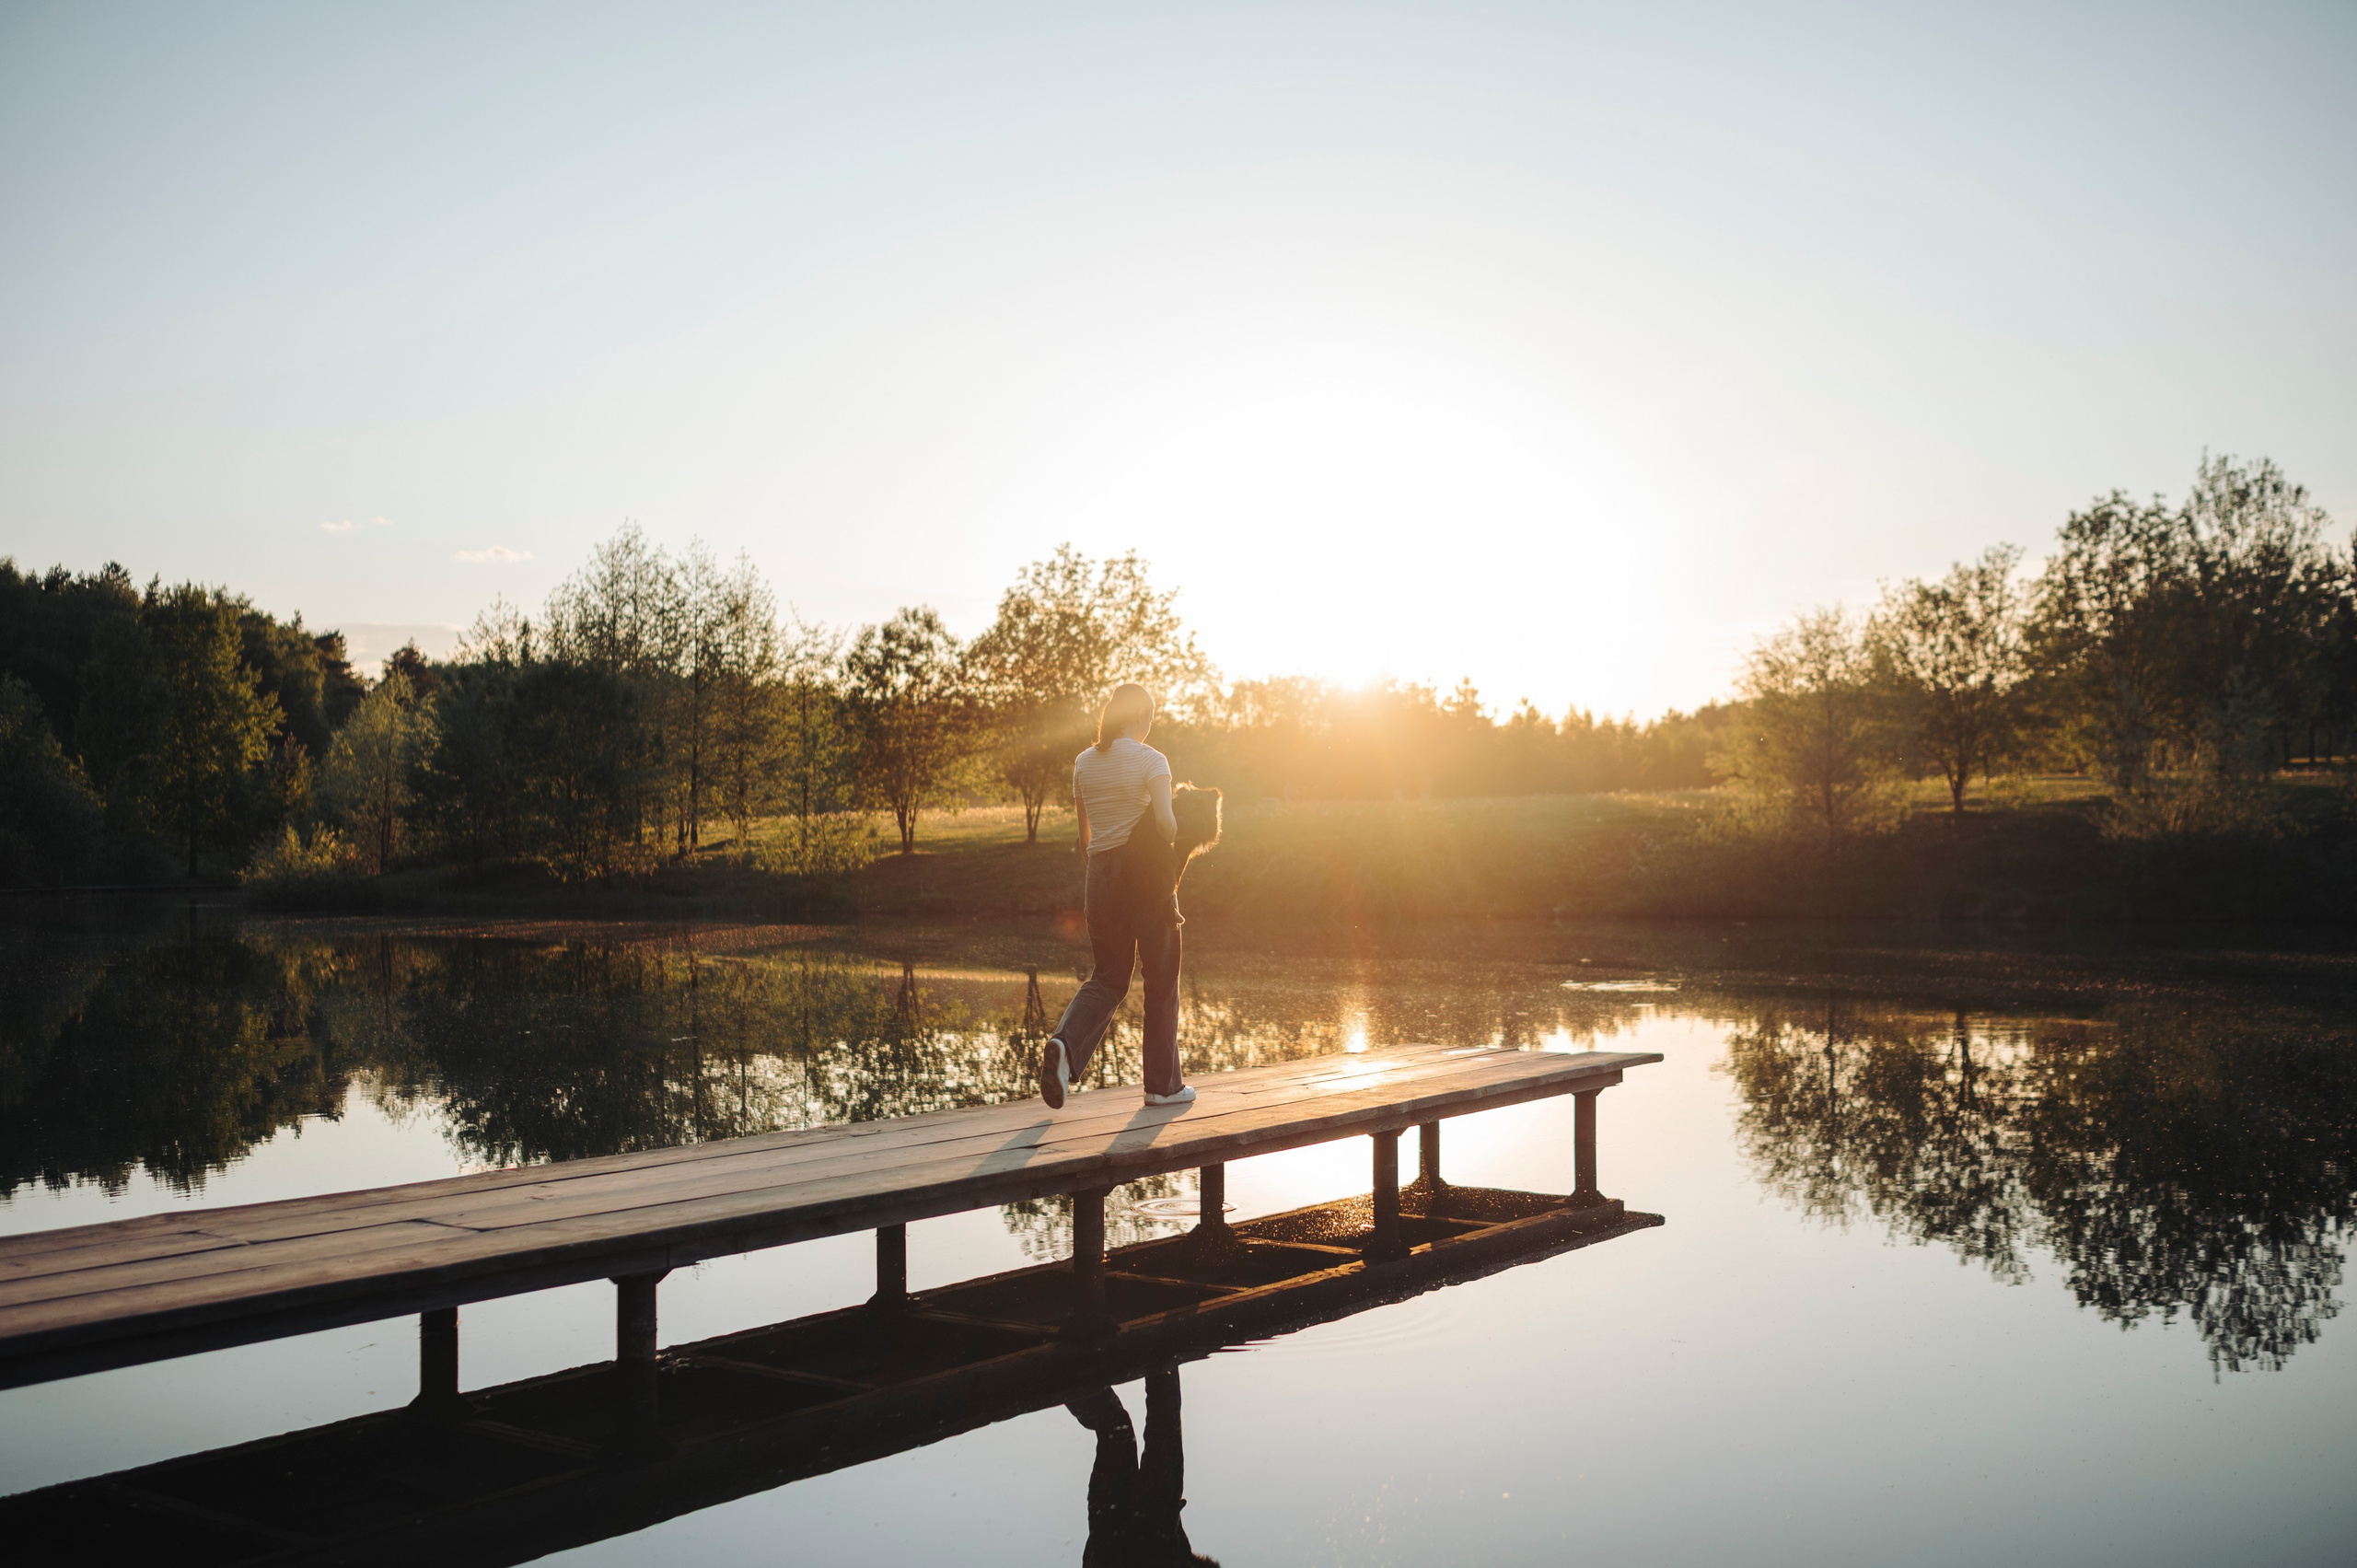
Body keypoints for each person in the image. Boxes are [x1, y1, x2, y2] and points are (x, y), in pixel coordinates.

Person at [1039, 682, 1190, 1109]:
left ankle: (1064, 1046)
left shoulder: (1084, 763)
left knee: (1108, 978)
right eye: (1151, 716)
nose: (1150, 726)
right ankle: (1163, 1087)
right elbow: (1166, 825)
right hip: (1144, 881)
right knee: (1161, 980)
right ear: (1139, 714)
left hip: (1100, 878)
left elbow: (1084, 838)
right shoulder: (1152, 760)